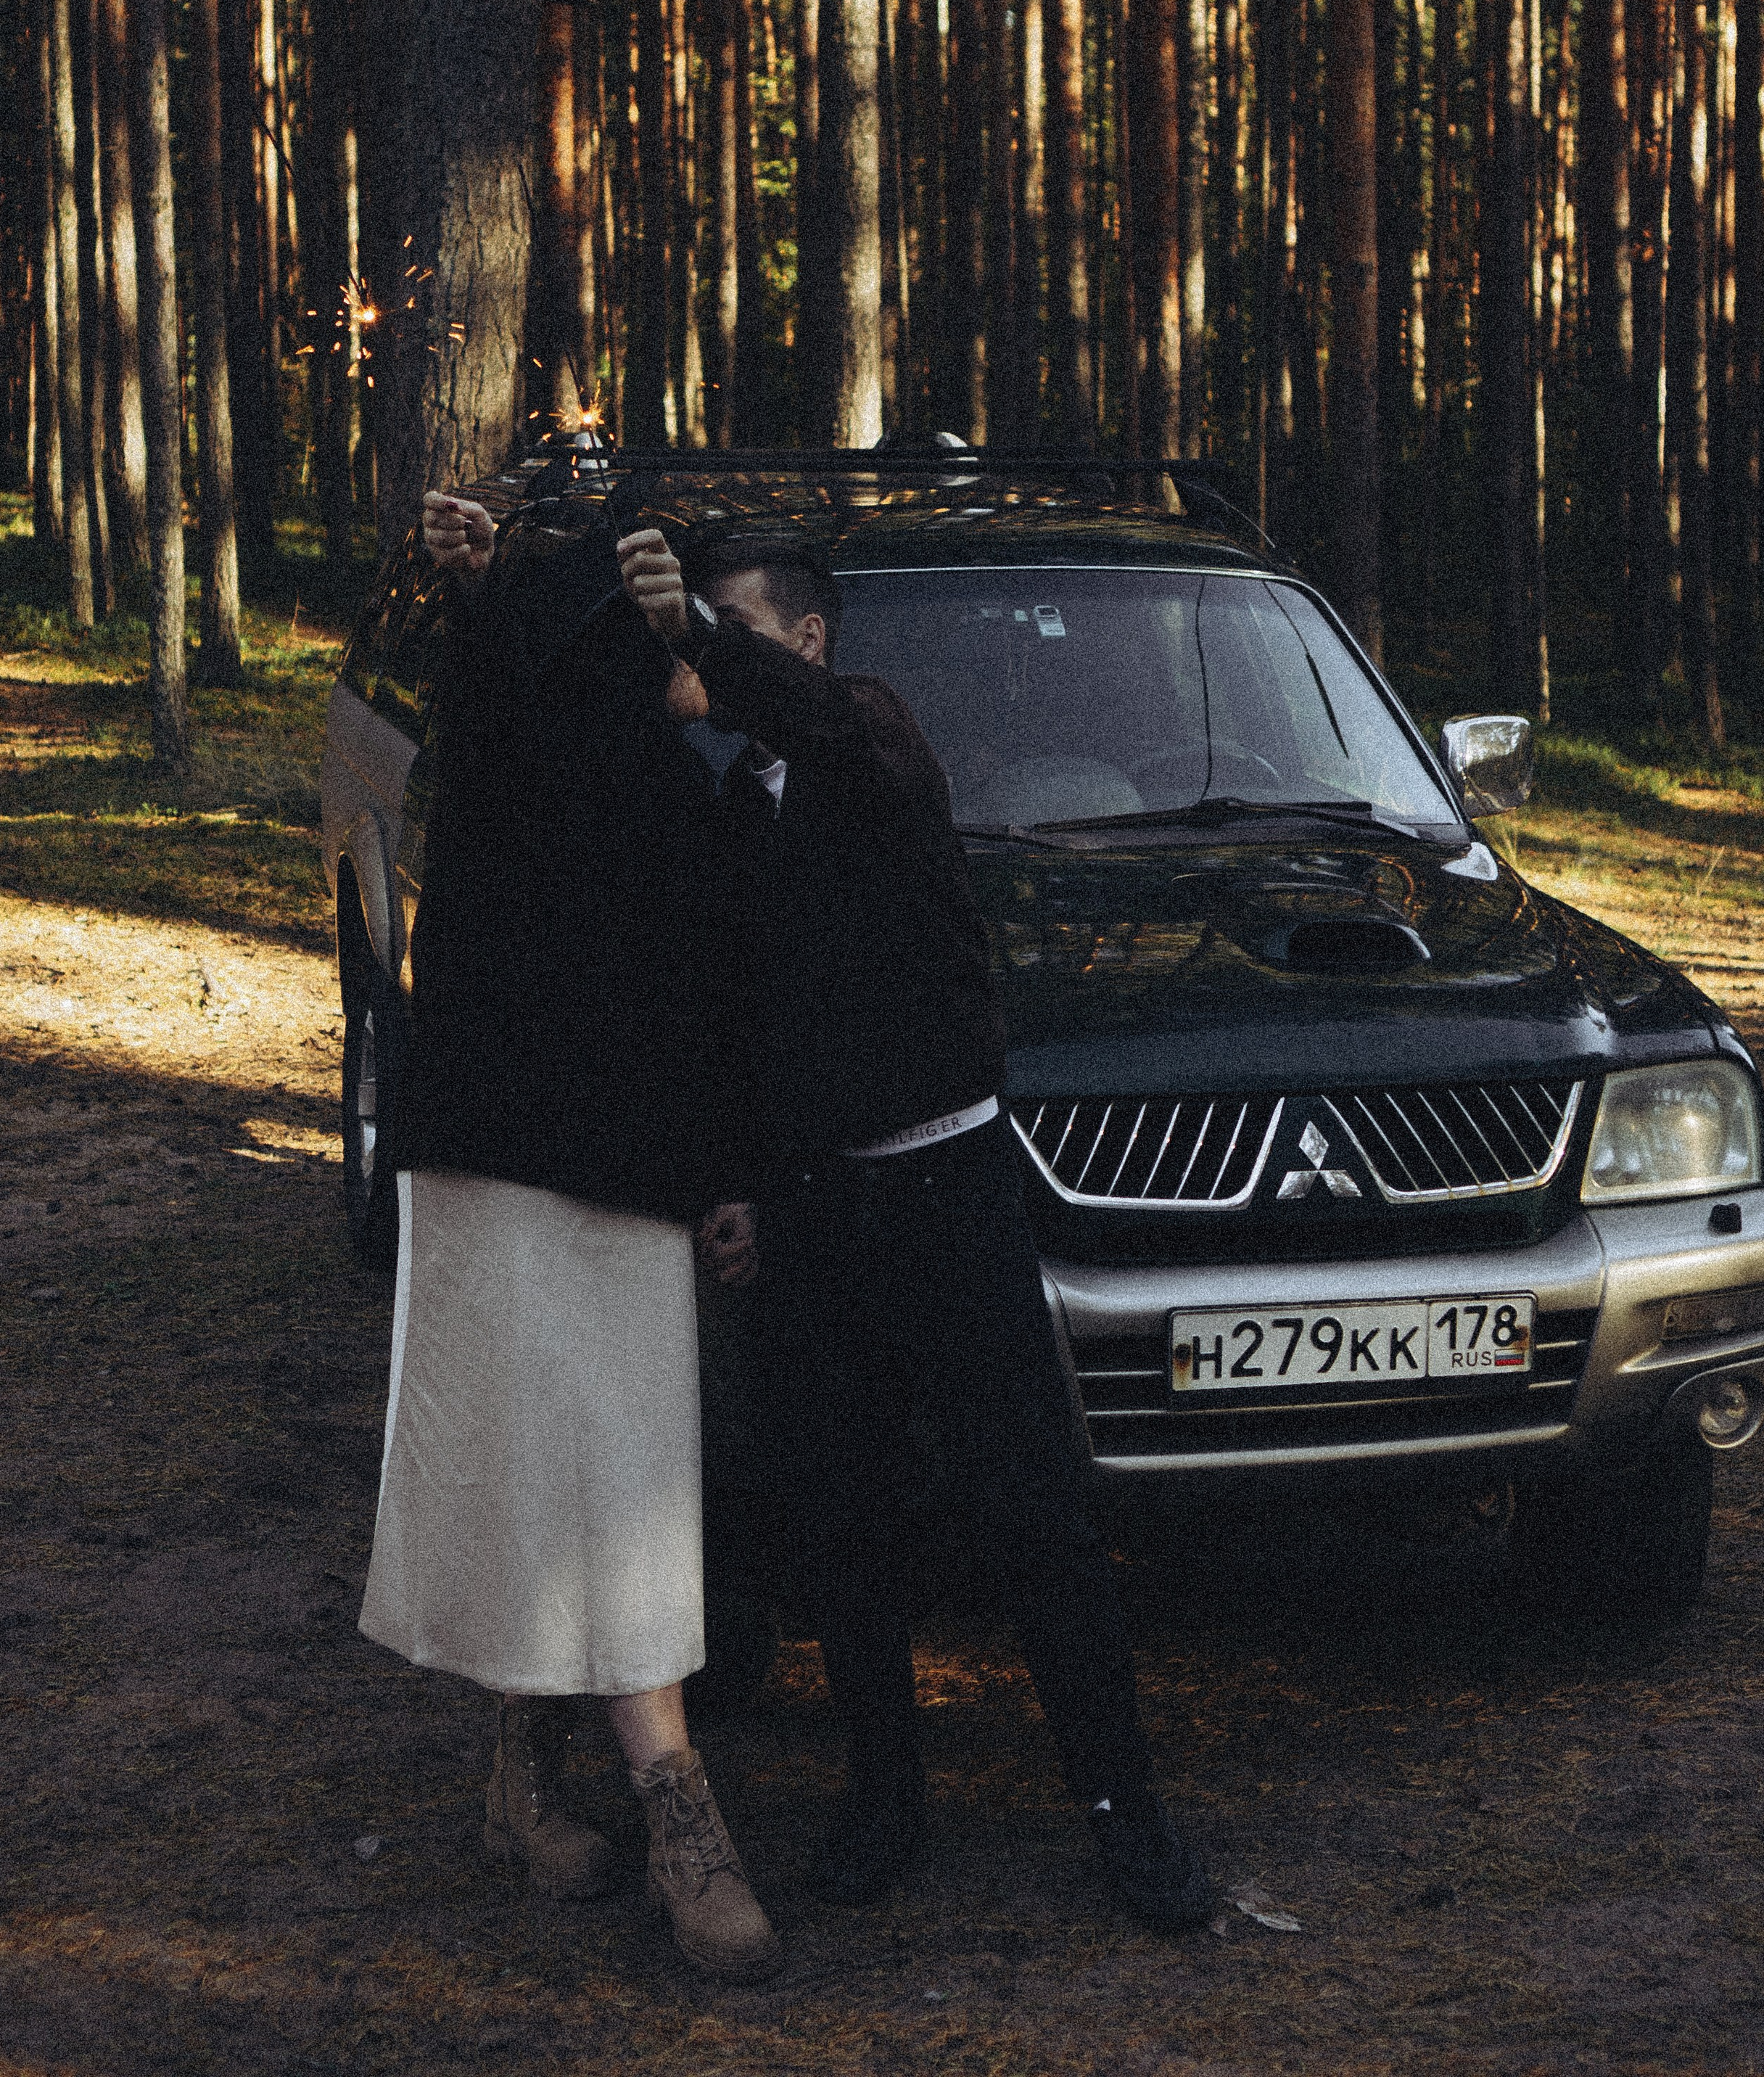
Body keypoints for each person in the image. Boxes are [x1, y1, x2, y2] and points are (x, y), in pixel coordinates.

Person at [620, 522, 1215, 1932]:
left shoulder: (870, 737)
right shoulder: (732, 808)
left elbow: (817, 719)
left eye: (725, 624)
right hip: (817, 1215)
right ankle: (882, 1798)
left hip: (950, 1196)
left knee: (1034, 1518)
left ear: (803, 639)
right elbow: (730, 1026)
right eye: (685, 628)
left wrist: (693, 636)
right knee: (839, 1514)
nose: (692, 647)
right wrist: (734, 1189)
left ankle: (1126, 1819)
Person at [355, 490, 778, 1983]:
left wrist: (725, 1176)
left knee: (619, 1479)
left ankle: (560, 1785)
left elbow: (712, 1011)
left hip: (627, 1183)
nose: (684, 670)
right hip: (498, 1168)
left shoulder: (670, 786)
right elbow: (489, 707)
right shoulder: (542, 782)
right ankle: (655, 1807)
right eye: (652, 638)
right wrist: (485, 595)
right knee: (538, 1473)